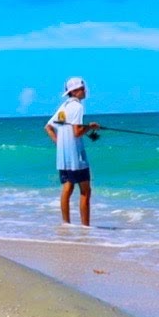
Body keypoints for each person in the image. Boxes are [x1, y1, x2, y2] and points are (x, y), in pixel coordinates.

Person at [44, 76, 100, 226]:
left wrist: (60, 144)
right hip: (76, 157)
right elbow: (76, 132)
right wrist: (90, 127)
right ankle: (85, 227)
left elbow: (48, 127)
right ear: (74, 92)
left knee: (67, 188)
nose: (85, 91)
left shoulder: (64, 107)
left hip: (63, 157)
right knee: (85, 192)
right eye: (82, 88)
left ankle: (66, 224)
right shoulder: (77, 107)